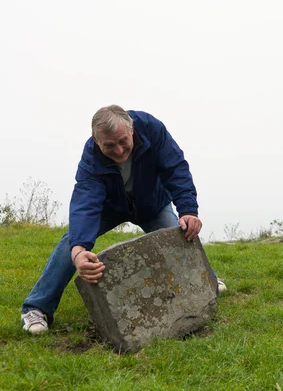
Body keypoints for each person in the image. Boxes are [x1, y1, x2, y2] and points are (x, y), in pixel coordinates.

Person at [21, 105, 226, 335]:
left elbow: (175, 168)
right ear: (96, 140)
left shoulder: (152, 129)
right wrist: (79, 251)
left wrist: (189, 210)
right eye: (109, 145)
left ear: (132, 129)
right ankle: (36, 308)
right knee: (72, 242)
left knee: (180, 233)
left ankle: (209, 280)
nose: (118, 151)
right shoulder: (91, 158)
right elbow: (86, 203)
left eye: (123, 141)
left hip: (152, 204)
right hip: (110, 207)